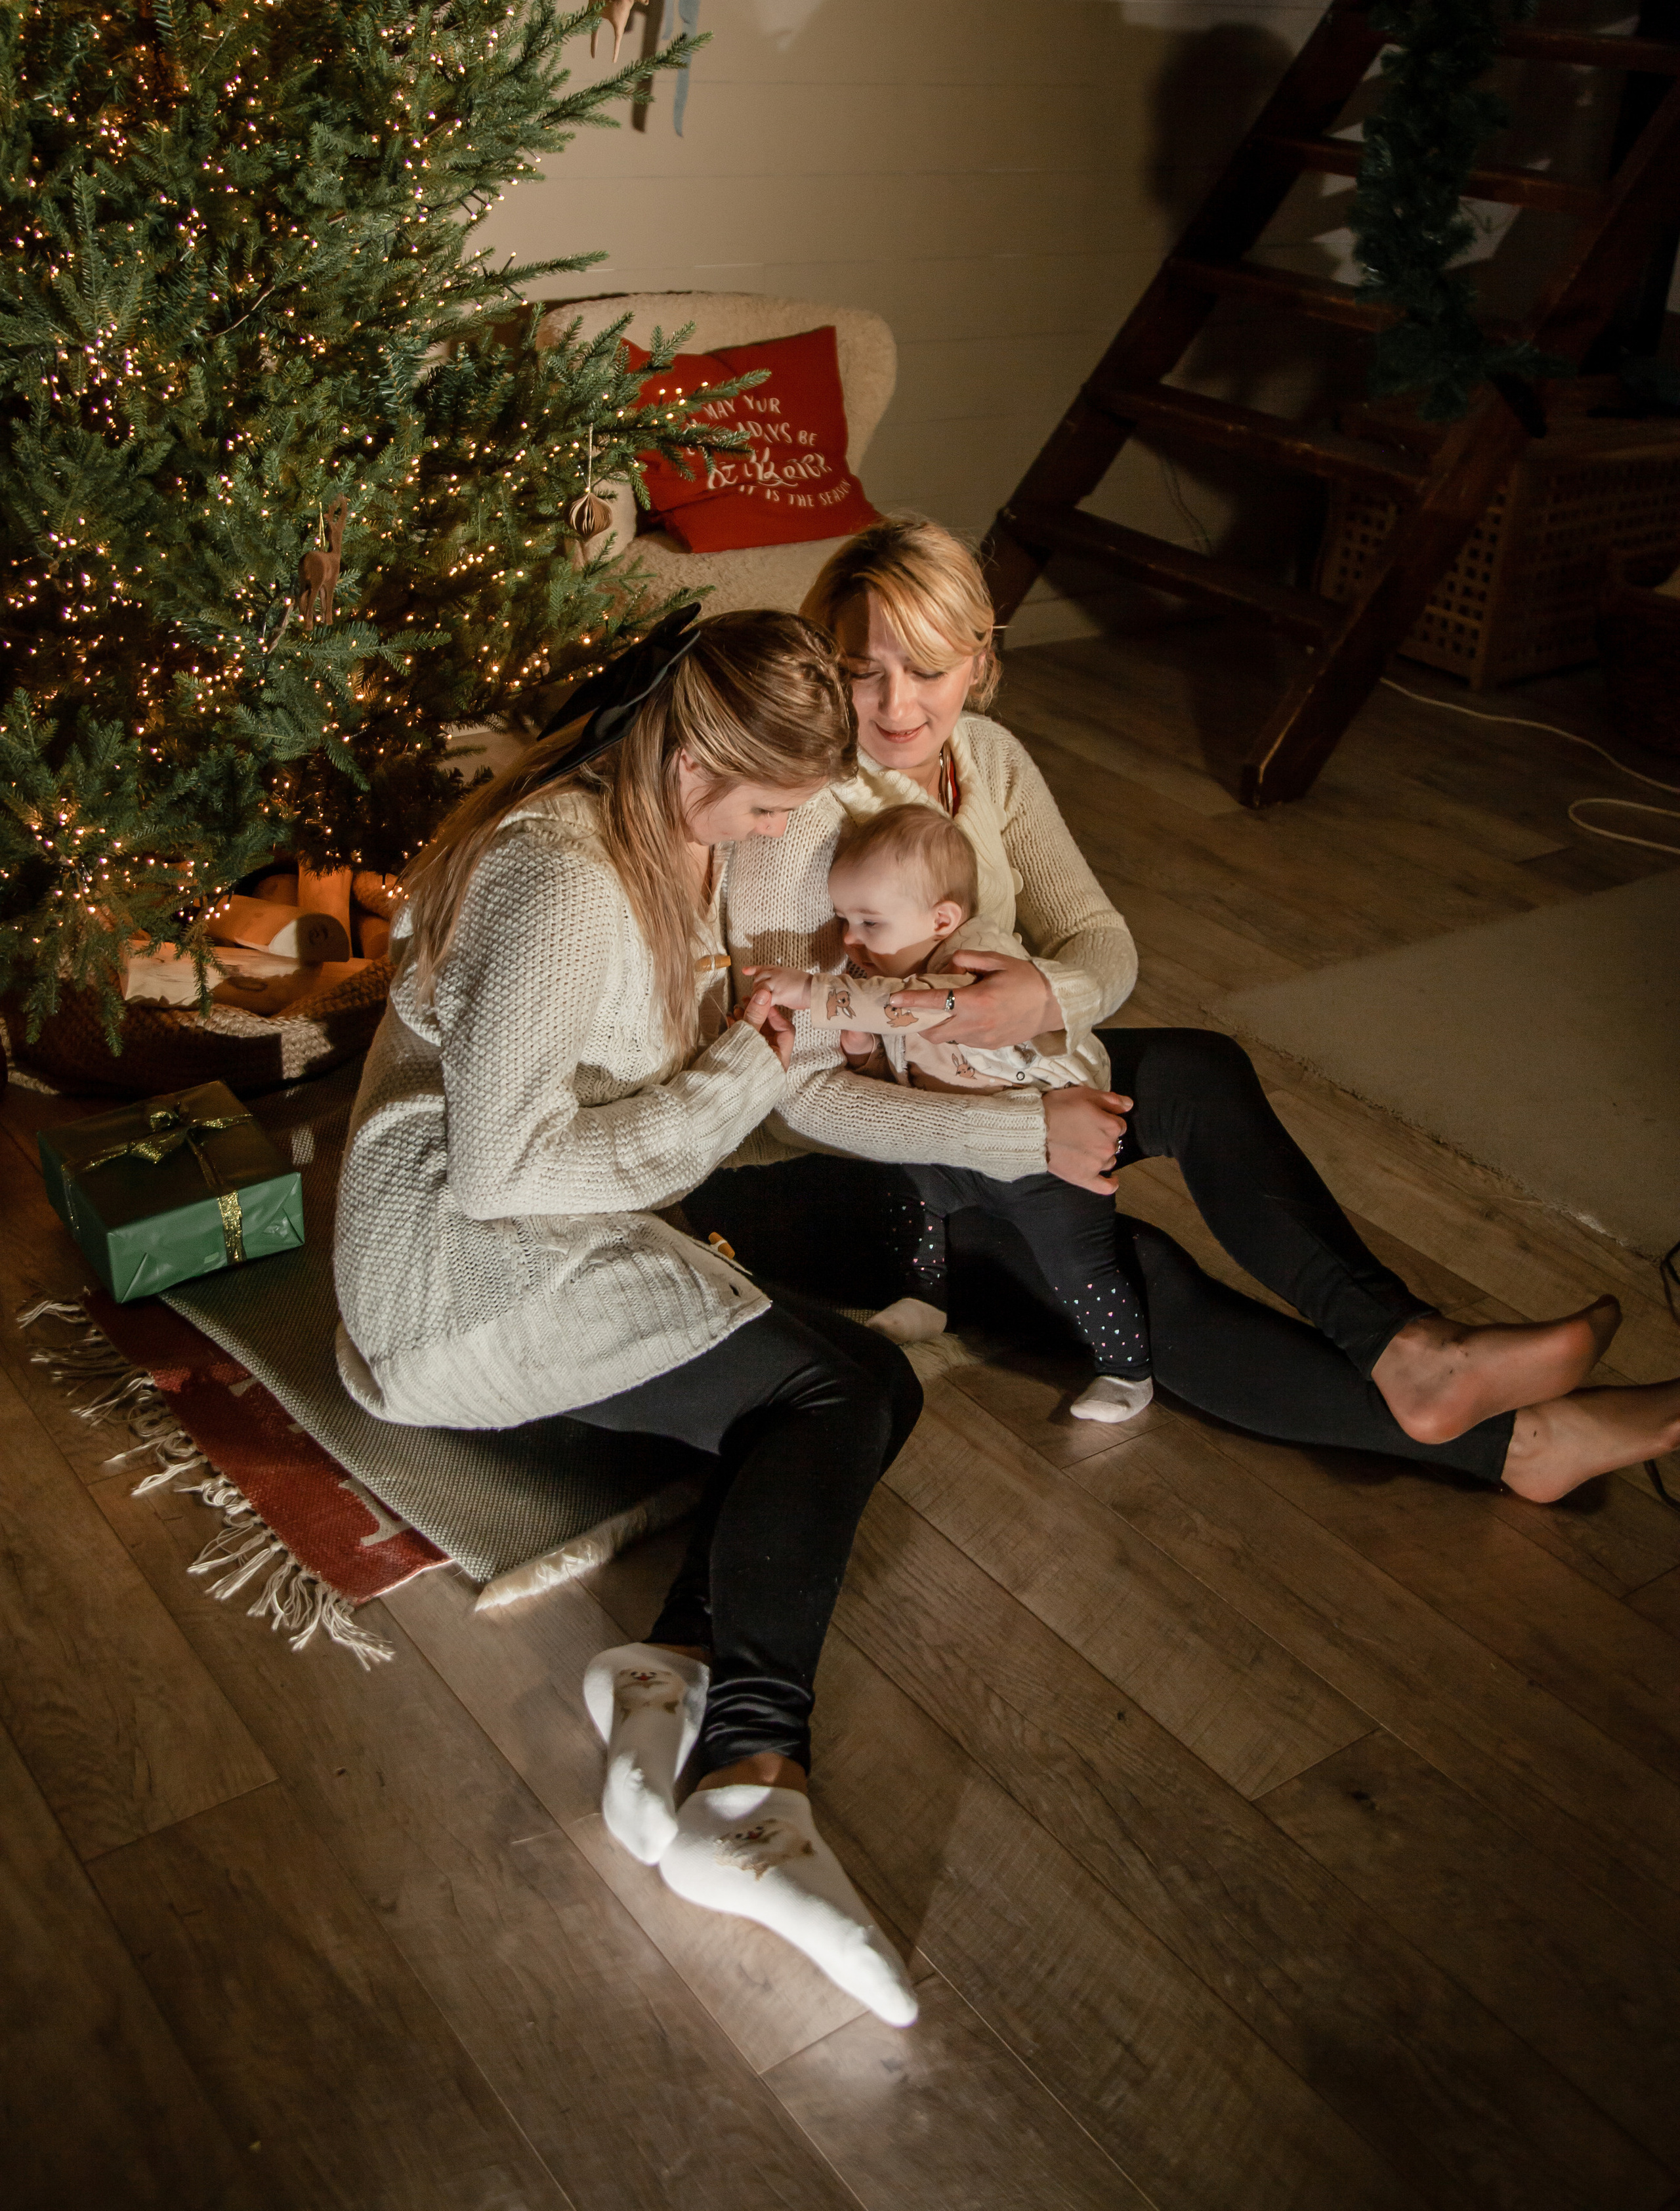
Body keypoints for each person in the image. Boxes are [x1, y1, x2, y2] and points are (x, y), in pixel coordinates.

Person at [694, 519, 1680, 1505]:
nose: (899, 704)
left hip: (980, 1078)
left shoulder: (984, 759)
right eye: (865, 672)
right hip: (843, 1171)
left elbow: (1099, 937)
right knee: (1130, 1261)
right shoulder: (804, 816)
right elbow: (803, 1097)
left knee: (1201, 1073)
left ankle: (1407, 1347)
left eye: (928, 667)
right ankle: (1517, 1446)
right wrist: (1028, 1133)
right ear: (827, 669)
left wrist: (1044, 993)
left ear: (981, 657)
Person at [331, 609, 921, 2027]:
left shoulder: (665, 828)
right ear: (700, 761)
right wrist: (739, 1072)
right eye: (766, 809)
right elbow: (504, 1173)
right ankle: (749, 1790)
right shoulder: (563, 881)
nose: (773, 838)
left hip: (544, 1220)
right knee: (832, 1396)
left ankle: (672, 1663)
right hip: (452, 1271)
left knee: (875, 1382)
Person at [749, 798, 1154, 1423]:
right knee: (906, 1191)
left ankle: (1127, 1370)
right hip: (957, 1144)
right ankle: (925, 1298)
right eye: (842, 919)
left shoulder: (972, 962)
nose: (849, 940)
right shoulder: (898, 964)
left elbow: (909, 1006)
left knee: (1078, 1265)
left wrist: (814, 992)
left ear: (942, 918)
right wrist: (864, 1064)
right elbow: (907, 1073)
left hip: (1045, 1154)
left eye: (869, 922)